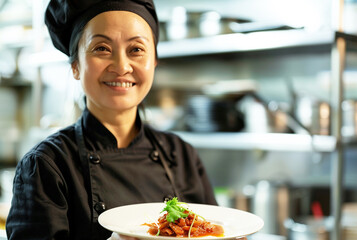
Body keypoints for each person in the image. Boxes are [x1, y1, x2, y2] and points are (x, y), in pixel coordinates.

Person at [5, 0, 219, 239]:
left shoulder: (180, 155)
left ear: (154, 61)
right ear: (75, 65)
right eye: (101, 48)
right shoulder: (47, 165)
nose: (121, 66)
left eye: (136, 49)